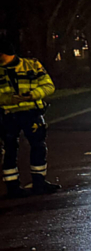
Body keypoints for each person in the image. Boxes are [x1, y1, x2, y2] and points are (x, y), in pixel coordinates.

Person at [0, 37, 60, 198]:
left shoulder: (32, 65)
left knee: (38, 147)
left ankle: (39, 183)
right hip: (7, 115)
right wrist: (8, 99)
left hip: (31, 112)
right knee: (9, 150)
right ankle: (13, 187)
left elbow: (48, 85)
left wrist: (33, 95)